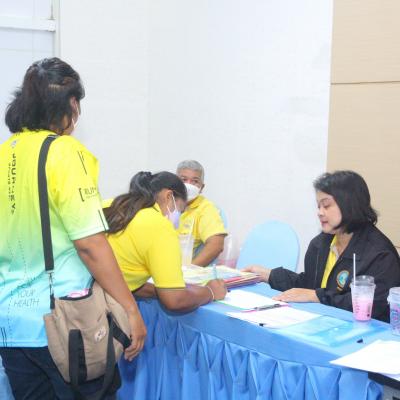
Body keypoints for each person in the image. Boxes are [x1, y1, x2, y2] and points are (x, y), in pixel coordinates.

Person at [0, 58, 146, 400]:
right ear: (72, 104)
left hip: (11, 324)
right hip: (65, 324)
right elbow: (90, 244)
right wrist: (130, 309)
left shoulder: (5, 152)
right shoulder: (64, 151)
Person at [244, 170, 400, 322]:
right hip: (322, 324)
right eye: (318, 206)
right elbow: (309, 286)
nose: (320, 212)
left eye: (326, 205)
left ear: (349, 205)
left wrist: (317, 296)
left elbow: (373, 307)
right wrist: (268, 275)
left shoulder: (380, 255)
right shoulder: (320, 244)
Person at [103, 171, 227, 311]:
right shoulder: (160, 227)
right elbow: (175, 300)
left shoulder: (113, 205)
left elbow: (126, 279)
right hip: (103, 305)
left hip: (89, 291)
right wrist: (210, 292)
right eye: (180, 209)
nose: (178, 216)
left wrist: (162, 290)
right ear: (169, 196)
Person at [176, 160, 227, 266]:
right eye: (184, 180)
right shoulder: (166, 203)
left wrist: (189, 271)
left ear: (201, 187)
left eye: (195, 181)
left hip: (181, 269)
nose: (188, 185)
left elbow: (216, 245)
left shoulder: (206, 209)